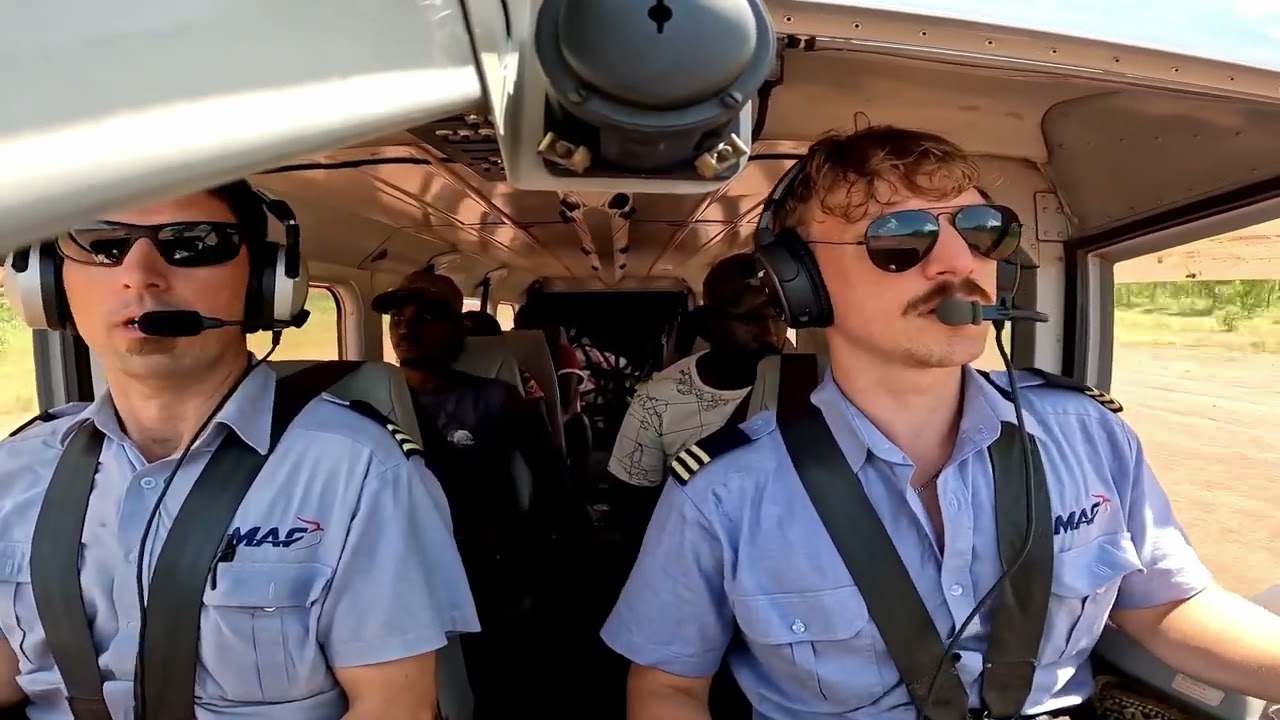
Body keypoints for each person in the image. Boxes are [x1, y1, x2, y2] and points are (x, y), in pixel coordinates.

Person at [599, 125, 1280, 719]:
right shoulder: (723, 492)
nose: (961, 263)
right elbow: (668, 686)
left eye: (982, 230)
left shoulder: (1089, 438)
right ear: (799, 283)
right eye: (901, 237)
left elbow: (1166, 609)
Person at [0, 181, 479, 719]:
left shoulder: (360, 471)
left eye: (194, 243)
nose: (139, 276)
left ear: (265, 283)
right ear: (48, 284)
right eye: (103, 246)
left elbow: (395, 708)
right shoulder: (18, 469)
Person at [375, 269, 588, 717]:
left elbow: (555, 485)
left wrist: (529, 565)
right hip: (390, 567)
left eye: (426, 315)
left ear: (458, 327)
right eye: (397, 316)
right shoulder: (366, 404)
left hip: (483, 570)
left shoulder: (497, 401)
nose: (406, 327)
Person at [605, 252, 782, 549]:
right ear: (710, 327)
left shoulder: (814, 383)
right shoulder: (657, 400)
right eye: (751, 319)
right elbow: (633, 512)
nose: (770, 333)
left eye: (777, 315)